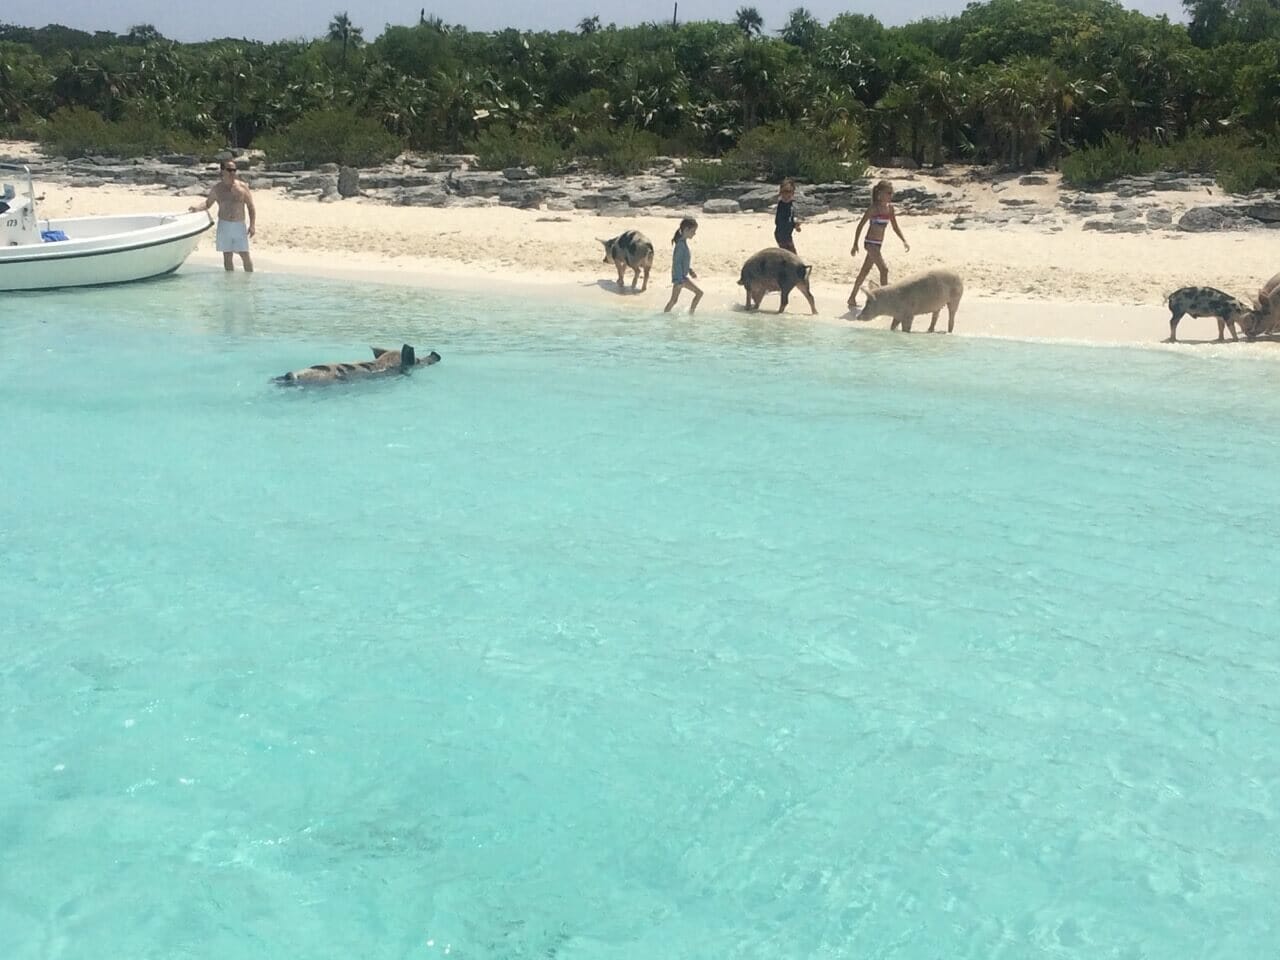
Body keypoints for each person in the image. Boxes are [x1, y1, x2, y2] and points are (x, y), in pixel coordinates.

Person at [848, 179, 908, 310]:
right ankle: (885, 300)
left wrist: (904, 240)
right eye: (888, 193)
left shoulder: (890, 209)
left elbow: (895, 227)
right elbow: (860, 226)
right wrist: (855, 244)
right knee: (884, 270)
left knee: (864, 271)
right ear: (880, 193)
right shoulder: (873, 208)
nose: (891, 196)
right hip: (870, 243)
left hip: (878, 244)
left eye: (892, 193)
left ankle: (851, 297)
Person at [190, 160, 256, 272]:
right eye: (229, 170)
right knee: (227, 255)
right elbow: (207, 204)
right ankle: (228, 285)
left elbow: (251, 206)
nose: (232, 173)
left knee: (244, 254)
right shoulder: (217, 189)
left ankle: (249, 281)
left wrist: (252, 225)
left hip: (239, 225)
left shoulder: (242, 187)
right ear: (222, 171)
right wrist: (197, 208)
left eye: (234, 170)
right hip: (224, 225)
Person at [664, 217, 703, 314]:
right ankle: (691, 315)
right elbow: (676, 263)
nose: (694, 233)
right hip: (680, 279)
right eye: (693, 231)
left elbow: (682, 262)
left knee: (673, 301)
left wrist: (690, 270)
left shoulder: (683, 243)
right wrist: (680, 280)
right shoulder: (680, 245)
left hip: (681, 277)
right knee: (699, 293)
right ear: (686, 230)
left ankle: (665, 315)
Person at [774, 178, 801, 253]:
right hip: (781, 234)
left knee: (792, 252)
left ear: (793, 193)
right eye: (784, 192)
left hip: (788, 234)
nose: (786, 195)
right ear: (781, 193)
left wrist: (795, 225)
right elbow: (778, 221)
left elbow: (791, 217)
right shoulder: (781, 205)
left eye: (789, 192)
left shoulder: (791, 205)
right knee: (787, 252)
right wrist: (791, 224)